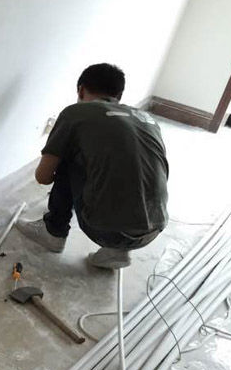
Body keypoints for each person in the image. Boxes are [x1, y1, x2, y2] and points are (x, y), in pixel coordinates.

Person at [17, 63, 169, 269]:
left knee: (68, 155)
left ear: (81, 90)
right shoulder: (147, 119)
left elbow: (42, 177)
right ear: (119, 95)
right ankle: (117, 252)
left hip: (105, 231)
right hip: (153, 229)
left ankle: (53, 231)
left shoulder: (76, 113)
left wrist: (68, 179)